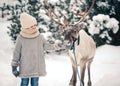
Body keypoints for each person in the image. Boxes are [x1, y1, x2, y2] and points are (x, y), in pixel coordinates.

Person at [11, 12, 59, 86]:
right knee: (24, 83)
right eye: (31, 25)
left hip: (36, 67)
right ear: (26, 26)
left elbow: (46, 46)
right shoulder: (21, 38)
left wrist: (56, 46)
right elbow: (16, 52)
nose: (34, 27)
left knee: (35, 83)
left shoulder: (39, 37)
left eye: (34, 25)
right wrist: (14, 66)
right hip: (25, 67)